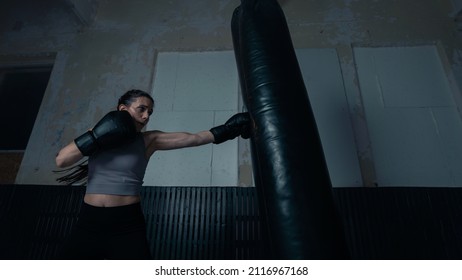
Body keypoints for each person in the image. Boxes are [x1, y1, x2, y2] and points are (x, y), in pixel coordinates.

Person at [55, 89, 250, 259]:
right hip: (89, 220)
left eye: (150, 112)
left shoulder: (149, 140)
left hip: (126, 223)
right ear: (123, 109)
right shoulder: (97, 134)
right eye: (142, 109)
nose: (146, 116)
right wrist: (97, 135)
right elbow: (61, 160)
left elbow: (194, 138)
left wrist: (228, 129)